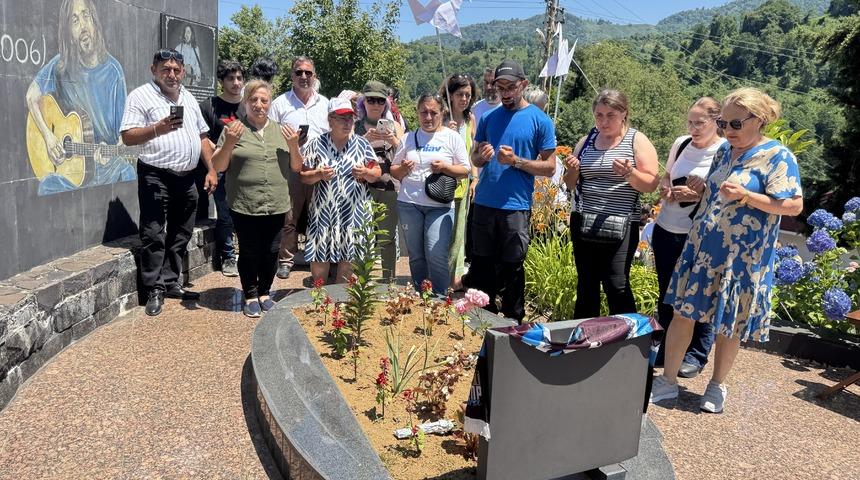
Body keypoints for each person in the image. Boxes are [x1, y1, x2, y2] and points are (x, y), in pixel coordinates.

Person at [651, 88, 803, 413]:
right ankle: (668, 380)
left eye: (735, 124)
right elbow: (718, 192)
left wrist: (748, 197)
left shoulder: (778, 156)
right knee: (682, 314)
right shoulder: (724, 151)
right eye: (722, 124)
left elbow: (793, 206)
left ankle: (717, 385)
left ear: (758, 120)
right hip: (703, 247)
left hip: (743, 258)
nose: (727, 131)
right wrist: (701, 188)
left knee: (730, 323)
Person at [120, 49, 217, 316]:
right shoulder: (140, 96)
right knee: (153, 233)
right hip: (155, 174)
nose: (171, 74)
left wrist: (211, 170)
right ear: (154, 70)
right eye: (166, 69)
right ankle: (154, 289)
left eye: (176, 69)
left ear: (183, 72)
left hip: (186, 178)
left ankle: (171, 281)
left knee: (181, 232)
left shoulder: (188, 98)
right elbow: (128, 137)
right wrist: (157, 129)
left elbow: (202, 138)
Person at [470, 60, 557, 321]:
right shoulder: (487, 118)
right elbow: (474, 159)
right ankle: (482, 318)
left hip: (516, 206)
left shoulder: (540, 120)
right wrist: (481, 156)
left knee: (513, 267)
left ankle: (512, 321)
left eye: (510, 87)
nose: (505, 93)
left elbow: (550, 167)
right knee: (482, 264)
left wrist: (517, 161)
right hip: (485, 203)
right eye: (500, 87)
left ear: (524, 85)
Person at [562, 89, 659, 318]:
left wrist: (630, 173)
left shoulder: (637, 140)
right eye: (599, 115)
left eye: (610, 115)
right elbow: (570, 185)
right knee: (586, 284)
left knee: (616, 284)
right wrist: (572, 170)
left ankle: (629, 340)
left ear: (623, 114)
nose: (603, 121)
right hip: (584, 221)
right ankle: (585, 339)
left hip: (622, 224)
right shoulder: (586, 141)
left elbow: (651, 184)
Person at [211, 80, 302, 317]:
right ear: (245, 102)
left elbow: (296, 166)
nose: (259, 105)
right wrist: (230, 142)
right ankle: (250, 293)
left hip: (276, 203)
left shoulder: (282, 131)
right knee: (250, 250)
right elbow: (218, 165)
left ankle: (265, 292)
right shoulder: (234, 129)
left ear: (270, 103)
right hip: (245, 203)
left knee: (272, 251)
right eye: (254, 100)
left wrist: (294, 145)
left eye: (264, 100)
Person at [25, 0, 136, 195]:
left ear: (95, 22)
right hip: (71, 175)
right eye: (75, 21)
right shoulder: (60, 66)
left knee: (128, 174)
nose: (83, 26)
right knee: (46, 186)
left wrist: (111, 152)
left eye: (86, 16)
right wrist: (49, 137)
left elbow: (124, 138)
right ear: (69, 32)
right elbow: (31, 96)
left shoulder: (114, 71)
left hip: (107, 170)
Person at [652, 97, 726, 378]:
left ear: (716, 122)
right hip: (666, 226)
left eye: (700, 123)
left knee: (699, 294)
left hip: (699, 233)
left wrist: (701, 192)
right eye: (690, 122)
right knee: (667, 291)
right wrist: (669, 191)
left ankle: (696, 353)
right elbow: (667, 177)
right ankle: (669, 347)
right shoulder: (680, 144)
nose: (693, 128)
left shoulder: (723, 150)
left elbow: (723, 194)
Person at [391, 94, 470, 295]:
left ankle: (441, 297)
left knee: (436, 253)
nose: (428, 117)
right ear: (417, 113)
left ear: (442, 113)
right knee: (416, 255)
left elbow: (465, 170)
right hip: (409, 203)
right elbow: (394, 170)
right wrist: (403, 169)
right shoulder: (408, 138)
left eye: (433, 112)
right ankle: (421, 295)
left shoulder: (452, 137)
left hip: (440, 205)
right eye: (423, 112)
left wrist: (445, 167)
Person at [300, 98, 382, 284]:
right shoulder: (316, 144)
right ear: (330, 120)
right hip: (323, 212)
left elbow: (376, 173)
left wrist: (366, 172)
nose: (347, 123)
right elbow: (304, 176)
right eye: (342, 118)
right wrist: (319, 174)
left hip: (354, 212)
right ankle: (319, 298)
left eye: (350, 119)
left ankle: (340, 300)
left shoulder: (362, 144)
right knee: (320, 256)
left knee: (350, 256)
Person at [269, 56, 330, 280]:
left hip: (319, 168)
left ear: (314, 76)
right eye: (299, 72)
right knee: (290, 216)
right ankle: (286, 260)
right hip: (290, 167)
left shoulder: (325, 103)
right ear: (292, 76)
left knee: (320, 215)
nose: (303, 77)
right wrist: (291, 143)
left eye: (308, 73)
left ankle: (318, 257)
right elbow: (270, 134)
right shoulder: (280, 104)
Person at [355, 80, 405, 283]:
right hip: (362, 188)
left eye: (380, 100)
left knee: (387, 238)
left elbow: (406, 154)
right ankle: (362, 281)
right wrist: (363, 140)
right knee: (362, 236)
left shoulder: (395, 126)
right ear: (363, 102)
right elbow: (347, 155)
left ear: (386, 104)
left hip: (388, 187)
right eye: (371, 100)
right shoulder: (356, 127)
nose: (375, 104)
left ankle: (389, 281)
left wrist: (393, 140)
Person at [199, 59, 245, 277]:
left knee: (245, 215)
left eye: (239, 78)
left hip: (245, 169)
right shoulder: (209, 106)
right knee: (225, 215)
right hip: (220, 168)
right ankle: (228, 257)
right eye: (230, 78)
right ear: (222, 81)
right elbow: (203, 140)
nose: (236, 83)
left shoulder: (248, 107)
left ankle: (246, 255)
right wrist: (212, 168)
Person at [439, 74, 480, 289]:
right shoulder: (442, 117)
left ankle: (454, 279)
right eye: (459, 94)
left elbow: (472, 151)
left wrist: (475, 178)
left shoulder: (471, 119)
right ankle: (438, 276)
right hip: (442, 185)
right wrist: (447, 132)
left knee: (458, 235)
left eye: (468, 95)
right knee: (441, 233)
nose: (464, 98)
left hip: (463, 184)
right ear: (451, 95)